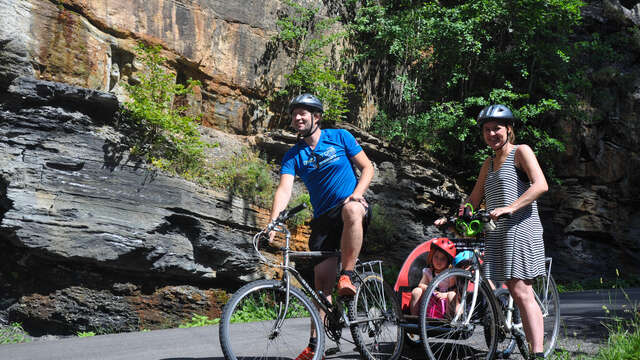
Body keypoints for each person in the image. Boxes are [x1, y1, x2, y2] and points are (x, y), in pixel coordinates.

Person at [267, 93, 374, 360]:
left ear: (316, 117)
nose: (297, 117)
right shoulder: (294, 155)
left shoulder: (340, 137)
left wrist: (358, 194)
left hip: (352, 208)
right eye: (294, 114)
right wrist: (272, 223)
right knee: (321, 289)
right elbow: (284, 190)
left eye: (303, 112)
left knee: (350, 209)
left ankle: (348, 274)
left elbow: (368, 168)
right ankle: (316, 347)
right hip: (324, 219)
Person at [437, 104, 548, 359]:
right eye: (487, 130)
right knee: (512, 287)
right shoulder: (488, 163)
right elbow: (474, 199)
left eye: (496, 128)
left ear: (509, 129)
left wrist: (511, 207)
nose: (492, 134)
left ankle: (538, 354)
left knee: (521, 290)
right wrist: (453, 218)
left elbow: (541, 184)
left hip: (521, 228)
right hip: (497, 231)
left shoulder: (521, 152)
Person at [409, 238, 457, 317]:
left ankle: (449, 321)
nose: (438, 261)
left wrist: (443, 295)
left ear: (448, 261)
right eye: (436, 257)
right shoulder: (428, 272)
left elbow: (454, 291)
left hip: (444, 300)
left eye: (443, 259)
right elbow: (421, 284)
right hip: (430, 298)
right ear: (431, 257)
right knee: (416, 291)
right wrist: (430, 290)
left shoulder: (450, 274)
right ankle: (415, 318)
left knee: (452, 295)